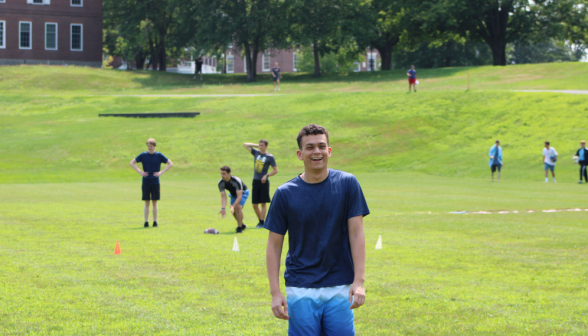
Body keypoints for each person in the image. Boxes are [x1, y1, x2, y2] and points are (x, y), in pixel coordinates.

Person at [265, 124, 369, 335]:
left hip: (340, 285)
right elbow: (274, 246)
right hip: (300, 287)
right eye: (310, 147)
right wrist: (275, 293)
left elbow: (356, 234)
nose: (317, 152)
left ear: (329, 151)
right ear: (300, 154)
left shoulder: (348, 184)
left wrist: (359, 281)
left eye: (322, 146)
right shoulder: (285, 193)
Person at [130, 138, 174, 228]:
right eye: (148, 146)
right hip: (146, 181)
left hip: (155, 182)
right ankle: (146, 222)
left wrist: (161, 172)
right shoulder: (143, 155)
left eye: (151, 146)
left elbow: (170, 163)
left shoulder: (159, 155)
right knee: (147, 202)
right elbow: (132, 163)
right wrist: (140, 172)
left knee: (154, 202)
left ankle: (155, 222)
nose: (149, 147)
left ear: (154, 146)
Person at [243, 140, 278, 228]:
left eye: (262, 145)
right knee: (254, 204)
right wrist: (257, 145)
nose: (260, 147)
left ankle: (262, 222)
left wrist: (266, 175)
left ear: (266, 146)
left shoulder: (270, 157)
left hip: (264, 182)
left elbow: (275, 170)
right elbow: (245, 145)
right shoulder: (256, 153)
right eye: (260, 145)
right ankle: (261, 221)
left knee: (263, 203)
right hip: (255, 181)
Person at [218, 166, 249, 233]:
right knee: (233, 212)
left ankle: (239, 228)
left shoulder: (236, 181)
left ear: (229, 173)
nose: (222, 175)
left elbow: (239, 196)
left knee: (238, 207)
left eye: (224, 174)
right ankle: (242, 225)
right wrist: (223, 208)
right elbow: (223, 197)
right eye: (221, 173)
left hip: (243, 193)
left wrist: (233, 205)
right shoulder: (221, 183)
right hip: (233, 195)